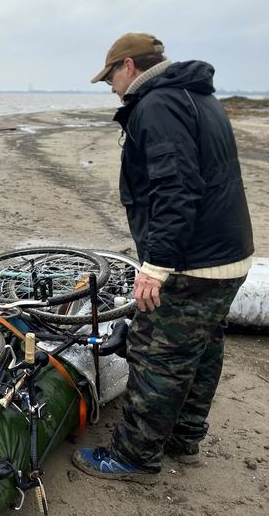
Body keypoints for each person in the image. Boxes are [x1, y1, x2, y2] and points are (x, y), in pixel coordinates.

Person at [73, 33, 253, 483]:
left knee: (159, 355)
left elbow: (176, 188)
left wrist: (155, 266)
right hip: (227, 254)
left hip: (193, 260)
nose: (111, 86)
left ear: (129, 67)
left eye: (110, 76)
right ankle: (184, 436)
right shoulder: (196, 97)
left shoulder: (156, 106)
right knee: (202, 347)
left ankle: (134, 457)